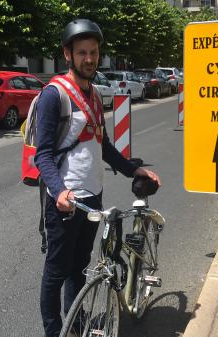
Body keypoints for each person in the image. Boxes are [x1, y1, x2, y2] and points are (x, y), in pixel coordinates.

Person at [34, 19, 161, 337]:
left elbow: (102, 146)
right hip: (65, 201)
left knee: (79, 267)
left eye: (93, 52)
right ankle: (53, 332)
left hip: (92, 197)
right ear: (68, 54)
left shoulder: (93, 95)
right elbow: (43, 154)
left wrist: (134, 169)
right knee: (56, 271)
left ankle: (74, 326)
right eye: (82, 53)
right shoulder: (54, 95)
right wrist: (60, 191)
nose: (89, 59)